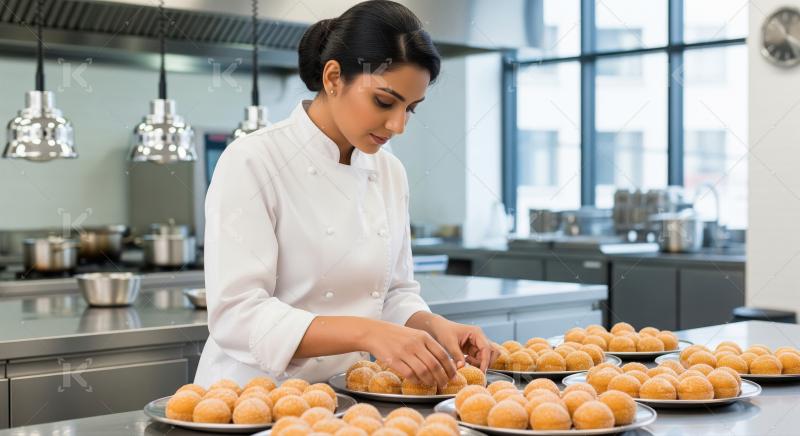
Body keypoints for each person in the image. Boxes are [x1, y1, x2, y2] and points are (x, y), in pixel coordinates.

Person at [195, 0, 498, 389]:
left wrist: (435, 326)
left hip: (342, 396)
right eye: (384, 102)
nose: (398, 125)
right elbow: (237, 315)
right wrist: (367, 333)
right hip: (249, 398)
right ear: (334, 77)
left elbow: (393, 294)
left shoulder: (389, 171)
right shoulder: (253, 160)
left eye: (411, 109)